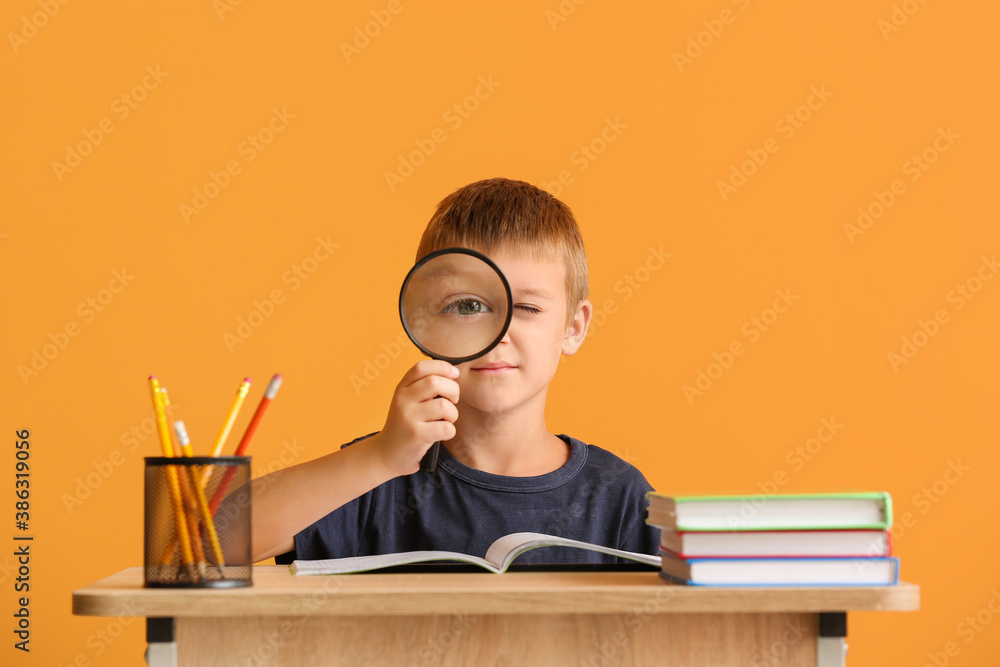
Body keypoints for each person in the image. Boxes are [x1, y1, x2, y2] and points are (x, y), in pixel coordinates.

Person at [252, 177, 659, 564]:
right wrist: (379, 458)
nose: (498, 334)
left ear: (572, 328)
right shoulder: (374, 480)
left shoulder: (618, 498)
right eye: (468, 306)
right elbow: (197, 540)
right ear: (425, 322)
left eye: (527, 308)